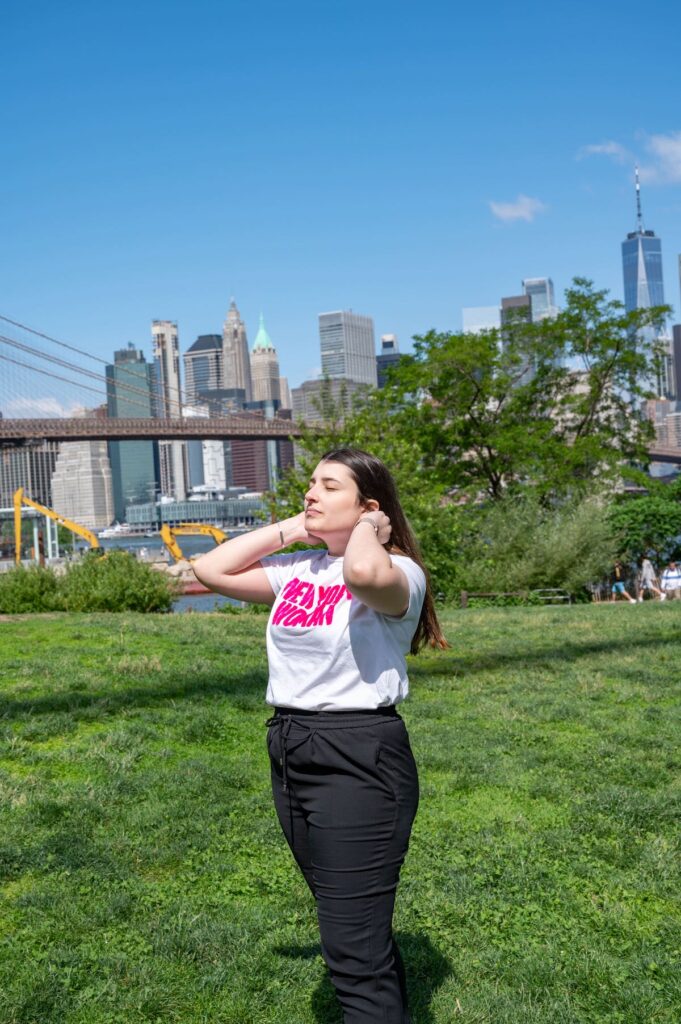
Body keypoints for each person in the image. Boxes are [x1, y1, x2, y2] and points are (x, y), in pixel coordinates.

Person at [192, 447, 447, 1023]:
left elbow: (361, 572)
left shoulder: (398, 572)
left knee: (351, 949)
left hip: (358, 755)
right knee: (354, 930)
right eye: (310, 483)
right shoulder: (296, 571)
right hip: (291, 745)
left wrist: (368, 531)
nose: (310, 492)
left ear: (368, 506)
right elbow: (209, 571)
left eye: (329, 486)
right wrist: (294, 528)